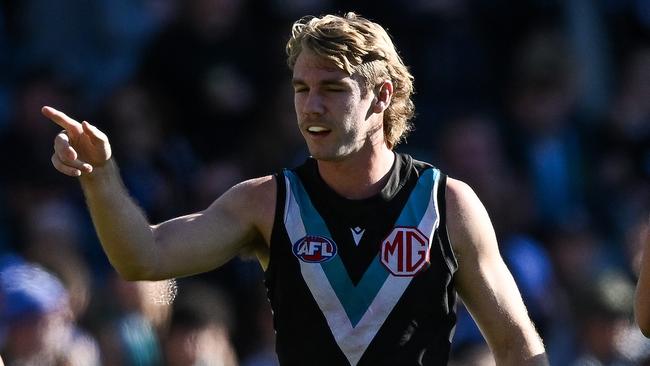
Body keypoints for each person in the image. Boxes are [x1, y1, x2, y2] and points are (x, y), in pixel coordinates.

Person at [41, 12, 547, 366]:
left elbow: (517, 345)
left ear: (380, 98)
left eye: (332, 89)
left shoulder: (447, 204)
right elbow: (143, 258)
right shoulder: (266, 202)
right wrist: (101, 178)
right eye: (302, 89)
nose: (311, 107)